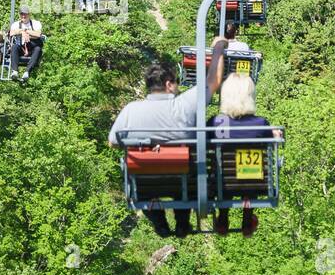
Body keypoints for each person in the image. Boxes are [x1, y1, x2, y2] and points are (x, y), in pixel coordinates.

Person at [109, 37, 231, 237]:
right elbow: (213, 81)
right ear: (168, 84)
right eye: (176, 82)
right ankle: (182, 221)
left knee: (142, 178)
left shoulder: (132, 110)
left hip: (145, 184)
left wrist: (149, 147)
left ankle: (159, 222)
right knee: (185, 174)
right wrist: (218, 48)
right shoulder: (185, 104)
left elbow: (112, 141)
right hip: (183, 181)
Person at [208, 74, 282, 236]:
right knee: (251, 171)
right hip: (254, 183)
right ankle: (247, 218)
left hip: (222, 185)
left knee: (223, 171)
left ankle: (223, 217)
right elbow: (272, 141)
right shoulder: (261, 124)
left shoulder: (217, 123)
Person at [9, 6, 45, 81]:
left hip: (32, 47)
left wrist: (27, 32)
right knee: (14, 47)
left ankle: (27, 71)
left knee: (38, 49)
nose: (23, 16)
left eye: (25, 14)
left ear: (29, 15)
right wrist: (22, 32)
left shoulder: (35, 23)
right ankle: (15, 71)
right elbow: (11, 33)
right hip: (21, 47)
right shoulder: (16, 24)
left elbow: (38, 34)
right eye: (22, 14)